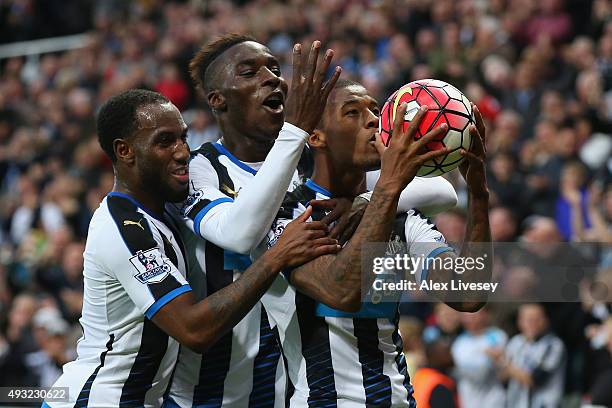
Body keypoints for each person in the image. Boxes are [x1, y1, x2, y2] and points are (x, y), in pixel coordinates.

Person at [166, 34, 458, 407]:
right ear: (218, 100)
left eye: (274, 68)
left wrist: (363, 202)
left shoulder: (311, 159)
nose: (271, 78)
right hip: (213, 385)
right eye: (249, 72)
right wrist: (296, 131)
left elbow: (438, 191)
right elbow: (239, 235)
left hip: (285, 382)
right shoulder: (203, 169)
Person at [43, 89, 338, 407]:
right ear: (125, 151)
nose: (183, 151)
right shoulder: (123, 226)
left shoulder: (162, 214)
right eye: (164, 141)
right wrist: (278, 256)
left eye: (183, 138)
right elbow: (194, 330)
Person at [260, 79, 492, 406]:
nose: (373, 119)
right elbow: (341, 290)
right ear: (316, 137)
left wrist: (480, 194)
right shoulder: (289, 213)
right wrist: (387, 187)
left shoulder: (401, 219)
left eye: (374, 109)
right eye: (353, 112)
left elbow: (468, 295)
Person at [493, 303, 566, 408]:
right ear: (520, 322)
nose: (532, 323)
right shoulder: (515, 342)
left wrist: (503, 361)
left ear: (545, 321)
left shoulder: (553, 345)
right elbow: (503, 378)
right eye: (528, 319)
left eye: (536, 319)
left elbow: (534, 380)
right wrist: (498, 363)